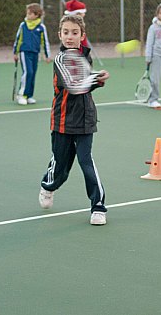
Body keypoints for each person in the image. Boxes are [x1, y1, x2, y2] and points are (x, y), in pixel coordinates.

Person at [38, 14, 110, 225]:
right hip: (63, 120)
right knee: (61, 165)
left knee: (86, 161)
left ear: (82, 36)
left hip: (85, 119)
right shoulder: (60, 59)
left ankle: (98, 206)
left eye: (74, 33)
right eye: (66, 32)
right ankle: (48, 185)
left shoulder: (85, 57)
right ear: (60, 35)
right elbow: (75, 85)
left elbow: (85, 84)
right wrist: (96, 78)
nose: (70, 37)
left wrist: (98, 79)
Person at [12, 3, 51, 105]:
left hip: (35, 53)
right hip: (24, 52)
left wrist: (47, 55)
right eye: (27, 13)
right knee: (28, 72)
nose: (27, 15)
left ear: (36, 15)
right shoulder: (23, 25)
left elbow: (44, 41)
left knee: (33, 73)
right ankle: (21, 95)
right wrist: (15, 52)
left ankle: (29, 95)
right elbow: (18, 39)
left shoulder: (41, 27)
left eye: (30, 14)